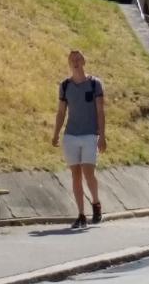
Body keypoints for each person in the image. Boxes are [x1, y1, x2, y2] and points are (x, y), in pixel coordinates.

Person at [51, 50, 106, 229]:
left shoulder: (94, 84)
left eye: (78, 59)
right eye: (72, 59)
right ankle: (81, 214)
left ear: (83, 61)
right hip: (71, 135)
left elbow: (100, 111)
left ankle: (96, 203)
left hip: (90, 134)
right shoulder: (65, 86)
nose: (75, 62)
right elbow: (61, 112)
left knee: (88, 172)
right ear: (68, 63)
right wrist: (56, 133)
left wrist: (102, 136)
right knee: (75, 175)